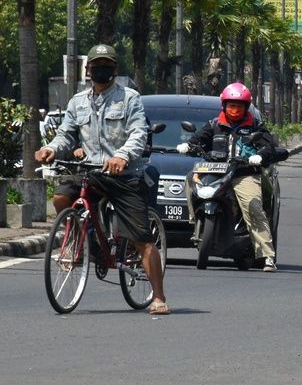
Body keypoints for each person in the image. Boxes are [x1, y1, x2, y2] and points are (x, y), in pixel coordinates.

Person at [35, 44, 170, 315]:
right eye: (96, 65)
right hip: (91, 172)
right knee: (62, 196)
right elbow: (66, 135)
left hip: (123, 175)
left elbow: (138, 133)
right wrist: (51, 148)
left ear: (115, 69)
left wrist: (122, 156)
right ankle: (83, 242)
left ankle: (158, 296)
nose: (100, 69)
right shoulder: (77, 102)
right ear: (88, 70)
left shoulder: (129, 98)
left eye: (106, 65)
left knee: (142, 237)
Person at [180, 82, 286, 272]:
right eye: (231, 106)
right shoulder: (214, 124)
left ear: (246, 107)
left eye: (238, 106)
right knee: (190, 179)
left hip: (243, 174)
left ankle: (267, 255)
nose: (235, 110)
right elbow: (198, 139)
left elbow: (268, 146)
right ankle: (195, 218)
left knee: (253, 205)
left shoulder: (255, 126)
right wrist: (188, 146)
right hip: (214, 171)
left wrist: (259, 156)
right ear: (224, 106)